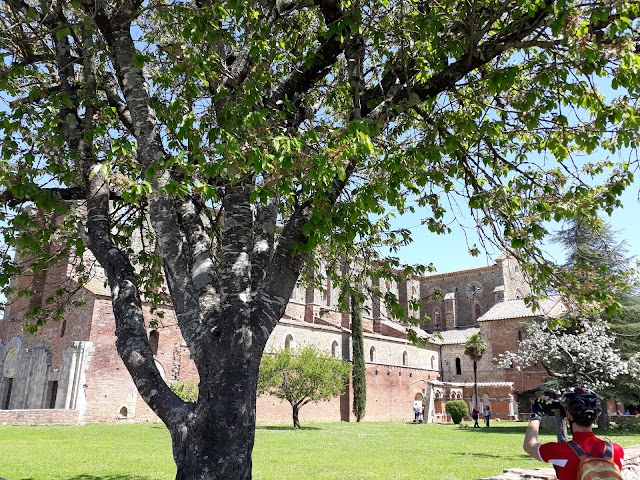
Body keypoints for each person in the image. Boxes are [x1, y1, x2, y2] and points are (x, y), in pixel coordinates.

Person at [523, 386, 625, 480]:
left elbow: (529, 445)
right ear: (596, 415)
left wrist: (536, 414)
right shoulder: (617, 450)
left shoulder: (559, 451)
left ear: (569, 415)